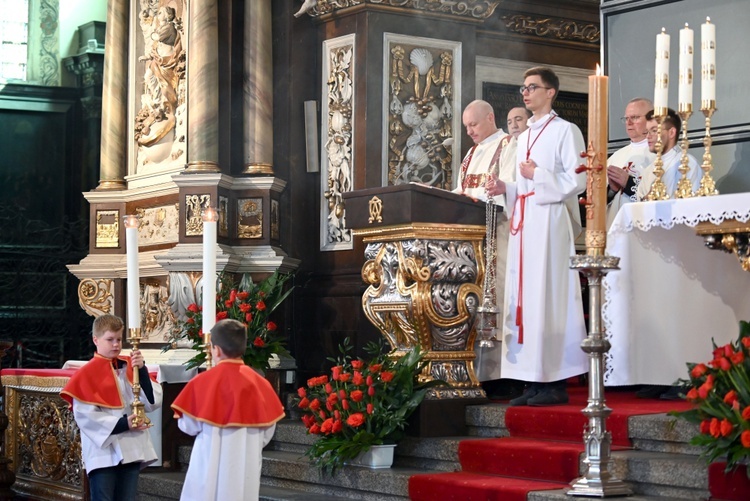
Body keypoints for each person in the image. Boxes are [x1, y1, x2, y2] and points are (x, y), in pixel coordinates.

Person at [486, 66, 588, 406]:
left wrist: (538, 174)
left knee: (549, 295)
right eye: (523, 88)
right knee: (525, 298)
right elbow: (524, 185)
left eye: (533, 87)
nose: (526, 93)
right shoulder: (525, 135)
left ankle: (555, 380)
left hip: (550, 222)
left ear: (550, 92)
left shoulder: (566, 130)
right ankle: (531, 379)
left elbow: (579, 179)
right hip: (526, 220)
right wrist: (508, 187)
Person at [172, 319, 285, 501]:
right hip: (245, 468)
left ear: (215, 350)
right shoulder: (260, 384)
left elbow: (188, 426)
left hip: (208, 464)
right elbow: (266, 433)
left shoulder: (202, 383)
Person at [454, 100, 520, 399]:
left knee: (500, 300)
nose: (469, 132)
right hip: (472, 243)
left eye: (474, 124)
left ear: (491, 117)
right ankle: (478, 372)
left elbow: (509, 189)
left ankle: (505, 374)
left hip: (500, 237)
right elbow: (460, 193)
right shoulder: (469, 155)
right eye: (466, 126)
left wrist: (473, 195)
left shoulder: (509, 145)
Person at [60, 314, 162, 501]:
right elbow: (85, 416)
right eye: (110, 340)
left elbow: (152, 402)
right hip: (104, 452)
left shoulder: (129, 367)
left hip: (131, 447)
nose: (116, 344)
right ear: (95, 340)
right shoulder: (85, 375)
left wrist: (143, 371)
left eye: (119, 339)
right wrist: (124, 424)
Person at [605, 98, 656, 227]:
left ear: (651, 119)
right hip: (616, 229)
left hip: (645, 230)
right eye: (626, 118)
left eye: (634, 117)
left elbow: (661, 198)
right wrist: (612, 190)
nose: (628, 123)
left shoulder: (661, 155)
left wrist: (628, 183)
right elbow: (601, 202)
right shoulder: (616, 157)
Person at [635, 108, 702, 201]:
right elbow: (638, 208)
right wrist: (647, 199)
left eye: (654, 131)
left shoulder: (688, 164)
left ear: (671, 133)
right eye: (647, 131)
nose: (648, 136)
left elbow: (694, 205)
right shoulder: (648, 171)